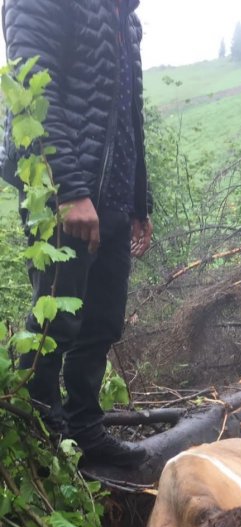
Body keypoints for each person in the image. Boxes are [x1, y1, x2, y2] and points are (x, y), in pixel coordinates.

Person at [1, 0, 152, 468]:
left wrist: (139, 202)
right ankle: (41, 438)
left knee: (103, 321)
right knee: (55, 323)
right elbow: (29, 87)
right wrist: (69, 190)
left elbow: (129, 118)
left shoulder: (125, 17)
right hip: (62, 191)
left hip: (112, 197)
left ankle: (84, 427)